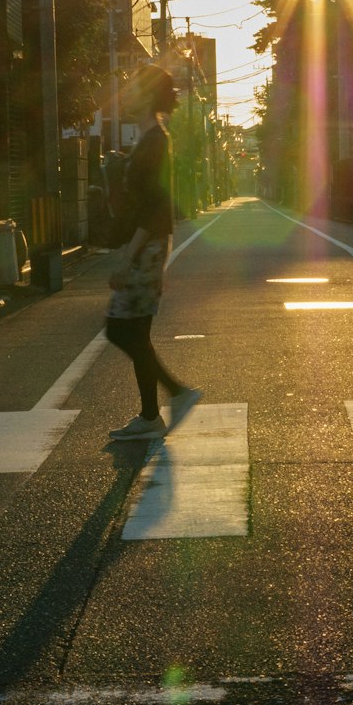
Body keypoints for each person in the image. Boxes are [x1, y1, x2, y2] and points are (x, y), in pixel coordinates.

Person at [106, 65, 200, 440]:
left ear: (146, 95)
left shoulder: (157, 140)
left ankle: (168, 400)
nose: (127, 94)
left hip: (146, 246)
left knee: (121, 328)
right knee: (132, 330)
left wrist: (130, 257)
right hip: (148, 244)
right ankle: (154, 413)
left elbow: (156, 205)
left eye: (132, 88)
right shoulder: (149, 139)